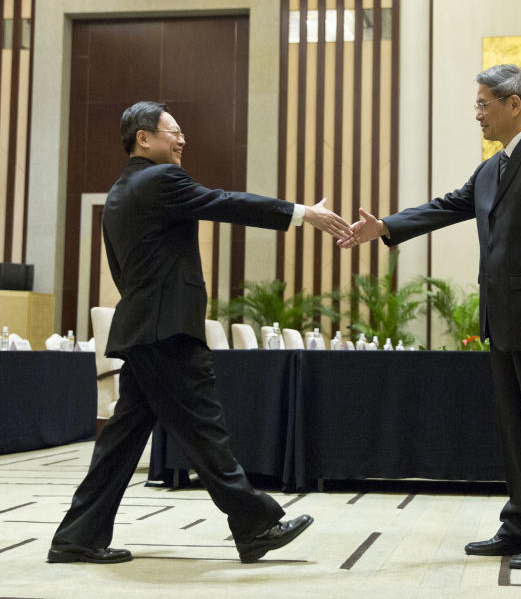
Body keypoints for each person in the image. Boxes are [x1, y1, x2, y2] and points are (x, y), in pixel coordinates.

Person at [48, 101, 352, 564]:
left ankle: (76, 538)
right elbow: (224, 201)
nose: (182, 138)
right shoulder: (161, 180)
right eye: (173, 130)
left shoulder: (119, 191)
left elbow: (121, 267)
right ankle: (256, 524)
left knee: (120, 443)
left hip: (145, 328)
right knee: (205, 432)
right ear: (144, 138)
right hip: (167, 331)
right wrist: (299, 213)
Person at [343, 65, 521, 569]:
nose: (477, 113)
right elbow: (449, 205)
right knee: (516, 429)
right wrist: (386, 227)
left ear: (513, 103)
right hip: (502, 319)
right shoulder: (494, 167)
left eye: (483, 104)